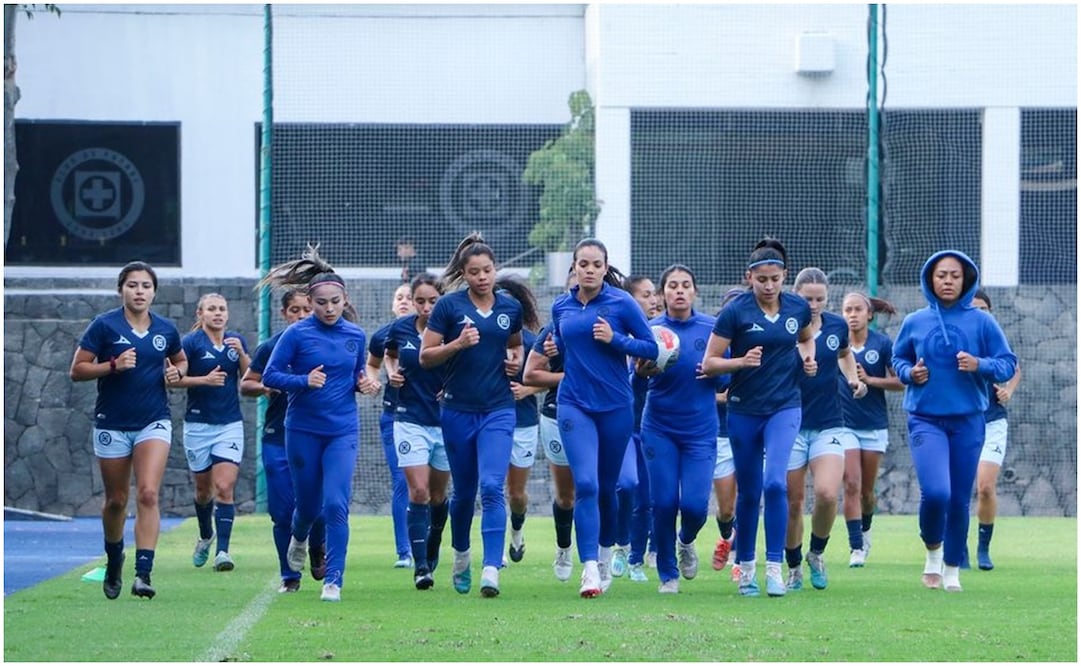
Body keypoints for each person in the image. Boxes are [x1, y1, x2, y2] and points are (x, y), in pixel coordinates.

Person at [892, 250, 1017, 592]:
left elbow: (1007, 363)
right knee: (936, 492)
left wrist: (980, 364)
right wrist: (909, 373)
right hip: (925, 419)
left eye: (955, 276)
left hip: (969, 421)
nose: (948, 281)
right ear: (930, 279)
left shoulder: (982, 322)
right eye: (941, 275)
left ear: (966, 281)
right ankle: (933, 552)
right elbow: (898, 358)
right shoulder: (915, 321)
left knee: (960, 498)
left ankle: (951, 568)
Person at [259, 246, 377, 602]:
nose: (328, 308)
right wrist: (302, 381)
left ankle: (334, 581)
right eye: (321, 302)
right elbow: (270, 375)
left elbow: (357, 374)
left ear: (345, 300)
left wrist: (365, 383)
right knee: (307, 507)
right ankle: (299, 538)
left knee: (336, 504)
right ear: (311, 303)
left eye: (335, 302)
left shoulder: (355, 336)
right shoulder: (295, 335)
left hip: (342, 430)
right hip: (302, 430)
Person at [701, 238, 816, 598]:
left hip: (785, 406)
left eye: (775, 278)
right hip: (743, 408)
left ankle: (775, 569)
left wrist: (808, 359)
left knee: (776, 484)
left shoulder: (797, 307)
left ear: (785, 276)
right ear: (749, 277)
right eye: (761, 279)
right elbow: (709, 363)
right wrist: (740, 362)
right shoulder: (735, 312)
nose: (768, 286)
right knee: (749, 493)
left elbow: (806, 338)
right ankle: (746, 569)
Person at [69, 261, 187, 599]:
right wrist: (112, 365)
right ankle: (114, 557)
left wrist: (177, 374)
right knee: (117, 500)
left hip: (154, 419)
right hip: (113, 423)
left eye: (146, 286)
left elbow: (180, 361)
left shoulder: (165, 329)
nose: (139, 291)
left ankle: (144, 574)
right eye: (132, 285)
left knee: (148, 493)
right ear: (121, 289)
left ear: (154, 291)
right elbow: (77, 370)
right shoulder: (104, 326)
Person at [548, 238, 658, 598]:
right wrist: (551, 351)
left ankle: (607, 550)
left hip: (615, 406)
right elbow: (565, 351)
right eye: (583, 264)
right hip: (574, 405)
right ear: (575, 268)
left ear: (605, 267)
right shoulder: (561, 307)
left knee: (610, 487)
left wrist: (616, 340)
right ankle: (590, 568)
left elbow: (650, 348)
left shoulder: (621, 302)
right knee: (588, 485)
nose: (590, 269)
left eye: (596, 264)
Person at [419, 233, 524, 598]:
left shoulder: (510, 308)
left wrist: (517, 361)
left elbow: (515, 345)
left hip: (498, 409)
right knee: (463, 492)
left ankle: (491, 569)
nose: (483, 277)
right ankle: (461, 555)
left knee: (493, 487)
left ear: (495, 270)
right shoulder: (448, 307)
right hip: (456, 410)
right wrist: (457, 344)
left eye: (488, 270)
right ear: (464, 274)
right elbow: (425, 356)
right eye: (475, 272)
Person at [637, 264, 720, 594]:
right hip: (659, 427)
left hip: (700, 431)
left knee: (696, 507)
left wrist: (714, 372)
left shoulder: (712, 329)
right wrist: (643, 370)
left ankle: (686, 540)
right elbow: (636, 378)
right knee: (664, 502)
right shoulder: (651, 330)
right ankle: (667, 574)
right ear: (663, 294)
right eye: (673, 285)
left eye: (686, 284)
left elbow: (726, 378)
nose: (680, 290)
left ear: (695, 291)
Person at [783, 268, 867, 592]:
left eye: (820, 299)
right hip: (789, 423)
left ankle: (816, 553)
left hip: (829, 423)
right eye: (808, 299)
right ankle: (792, 567)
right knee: (792, 502)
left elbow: (845, 354)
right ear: (795, 295)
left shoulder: (836, 326)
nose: (814, 305)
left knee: (828, 493)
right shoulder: (786, 326)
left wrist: (853, 379)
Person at [240, 289, 327, 593]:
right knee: (281, 511)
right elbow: (247, 383)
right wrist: (265, 387)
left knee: (317, 506)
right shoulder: (271, 347)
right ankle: (289, 576)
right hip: (278, 437)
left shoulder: (327, 344)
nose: (301, 316)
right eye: (295, 310)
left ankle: (317, 546)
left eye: (306, 309)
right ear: (284, 313)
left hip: (316, 436)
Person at [173, 293, 251, 573]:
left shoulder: (235, 342)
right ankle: (206, 534)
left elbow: (248, 378)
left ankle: (223, 552)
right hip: (197, 425)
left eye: (222, 309)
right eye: (212, 309)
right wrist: (203, 380)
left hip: (229, 424)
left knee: (224, 487)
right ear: (200, 314)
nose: (218, 313)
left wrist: (241, 354)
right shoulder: (190, 343)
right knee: (204, 490)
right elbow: (173, 379)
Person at [383, 274, 451, 589]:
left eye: (432, 301)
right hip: (408, 419)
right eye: (419, 301)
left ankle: (434, 539)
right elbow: (385, 355)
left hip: (447, 422)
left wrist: (453, 386)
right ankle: (420, 565)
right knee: (419, 492)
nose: (425, 307)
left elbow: (469, 365)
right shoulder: (400, 329)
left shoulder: (454, 329)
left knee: (438, 496)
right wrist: (391, 373)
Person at [839, 291, 904, 567]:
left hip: (874, 426)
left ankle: (865, 531)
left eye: (857, 310)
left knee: (866, 491)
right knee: (851, 484)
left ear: (869, 315)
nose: (852, 315)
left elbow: (901, 382)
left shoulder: (882, 344)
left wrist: (871, 380)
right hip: (843, 425)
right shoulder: (836, 344)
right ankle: (855, 546)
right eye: (847, 310)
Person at [523, 271, 579, 583]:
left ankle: (598, 556)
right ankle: (563, 547)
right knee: (566, 495)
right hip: (558, 413)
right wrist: (568, 374)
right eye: (573, 275)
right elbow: (532, 374)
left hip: (599, 415)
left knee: (593, 488)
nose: (580, 280)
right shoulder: (553, 331)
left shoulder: (609, 325)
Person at [969, 289, 1022, 571]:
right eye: (972, 309)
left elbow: (1015, 368)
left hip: (992, 423)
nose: (978, 314)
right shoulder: (958, 339)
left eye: (983, 309)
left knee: (986, 487)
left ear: (990, 312)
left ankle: (983, 548)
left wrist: (1008, 391)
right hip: (962, 423)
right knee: (953, 490)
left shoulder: (995, 340)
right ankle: (956, 548)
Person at [613, 274, 660, 582]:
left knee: (648, 498)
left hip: (653, 427)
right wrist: (637, 376)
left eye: (654, 293)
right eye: (645, 295)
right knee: (625, 487)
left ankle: (636, 560)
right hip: (623, 428)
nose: (653, 300)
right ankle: (617, 546)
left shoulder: (662, 337)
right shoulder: (619, 339)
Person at [365, 283, 416, 568]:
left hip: (430, 417)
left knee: (431, 487)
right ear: (392, 305)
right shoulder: (383, 335)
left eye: (410, 298)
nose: (405, 302)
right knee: (402, 480)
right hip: (394, 415)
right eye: (400, 298)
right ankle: (404, 551)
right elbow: (372, 364)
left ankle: (427, 543)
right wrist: (374, 378)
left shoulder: (434, 332)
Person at [496, 275, 544, 566]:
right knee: (492, 487)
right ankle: (495, 549)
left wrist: (528, 388)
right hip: (490, 420)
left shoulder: (531, 341)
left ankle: (517, 530)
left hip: (524, 422)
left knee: (516, 493)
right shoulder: (481, 337)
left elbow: (552, 379)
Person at [710, 287, 746, 579]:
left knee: (749, 496)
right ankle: (726, 536)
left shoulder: (761, 345)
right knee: (725, 508)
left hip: (752, 430)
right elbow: (699, 392)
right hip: (721, 433)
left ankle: (741, 560)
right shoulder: (714, 349)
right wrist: (723, 398)